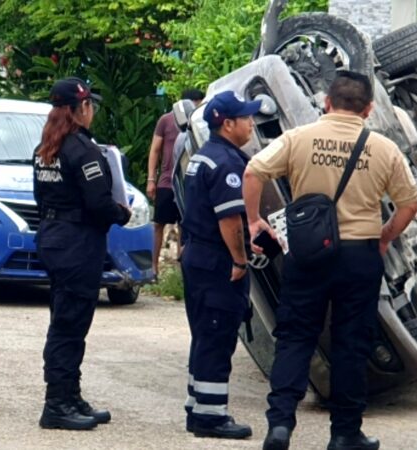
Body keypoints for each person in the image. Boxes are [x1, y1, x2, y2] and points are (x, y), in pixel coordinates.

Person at [243, 71, 417, 450]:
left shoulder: (298, 138)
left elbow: (253, 171)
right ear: (369, 108)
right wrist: (385, 237)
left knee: (294, 337)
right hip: (360, 255)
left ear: (326, 102)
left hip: (308, 253)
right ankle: (344, 433)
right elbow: (409, 204)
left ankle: (279, 426)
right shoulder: (383, 148)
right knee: (351, 343)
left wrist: (255, 220)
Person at [33, 77, 131, 431]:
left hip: (54, 237)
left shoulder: (46, 147)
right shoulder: (83, 149)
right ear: (81, 109)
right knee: (70, 325)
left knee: (65, 317)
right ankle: (58, 403)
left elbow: (41, 198)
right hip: (77, 243)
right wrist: (122, 213)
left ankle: (70, 395)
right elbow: (99, 204)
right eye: (90, 105)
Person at [179, 90, 260, 440]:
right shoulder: (227, 163)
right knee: (216, 333)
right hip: (217, 260)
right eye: (246, 117)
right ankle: (210, 418)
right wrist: (240, 260)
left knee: (203, 333)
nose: (251, 122)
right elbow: (230, 221)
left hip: (197, 254)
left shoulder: (204, 156)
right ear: (227, 124)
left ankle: (198, 405)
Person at [147, 88, 205, 276]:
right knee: (158, 224)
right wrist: (151, 179)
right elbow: (155, 150)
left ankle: (183, 269)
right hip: (166, 181)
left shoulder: (199, 122)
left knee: (184, 225)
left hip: (187, 181)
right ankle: (153, 267)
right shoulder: (165, 120)